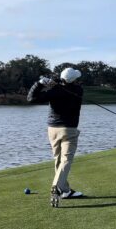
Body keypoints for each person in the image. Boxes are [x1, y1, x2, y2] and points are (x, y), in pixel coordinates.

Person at [27, 67, 84, 207]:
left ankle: (65, 190)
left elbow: (30, 98)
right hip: (68, 130)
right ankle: (57, 186)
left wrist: (40, 83)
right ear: (74, 80)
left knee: (58, 159)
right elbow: (67, 86)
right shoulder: (78, 90)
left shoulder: (54, 91)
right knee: (66, 160)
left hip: (52, 130)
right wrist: (55, 83)